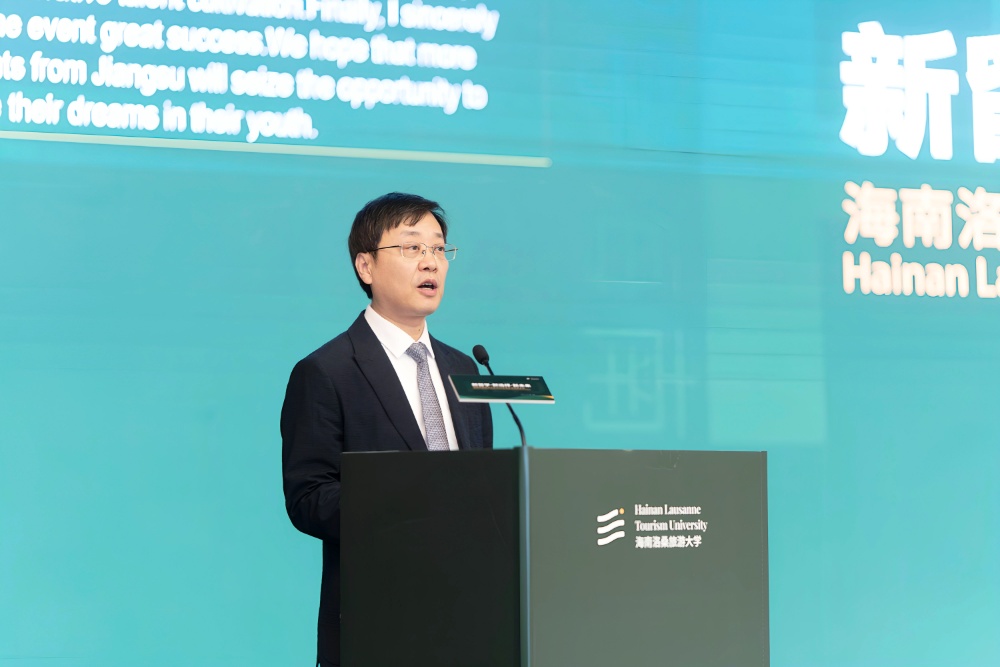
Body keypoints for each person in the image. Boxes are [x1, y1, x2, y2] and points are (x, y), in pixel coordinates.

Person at [280, 192, 493, 667]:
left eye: (438, 248)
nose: (430, 262)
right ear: (366, 266)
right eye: (412, 247)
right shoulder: (327, 371)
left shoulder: (466, 369)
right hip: (378, 623)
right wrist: (409, 500)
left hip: (470, 621)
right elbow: (308, 499)